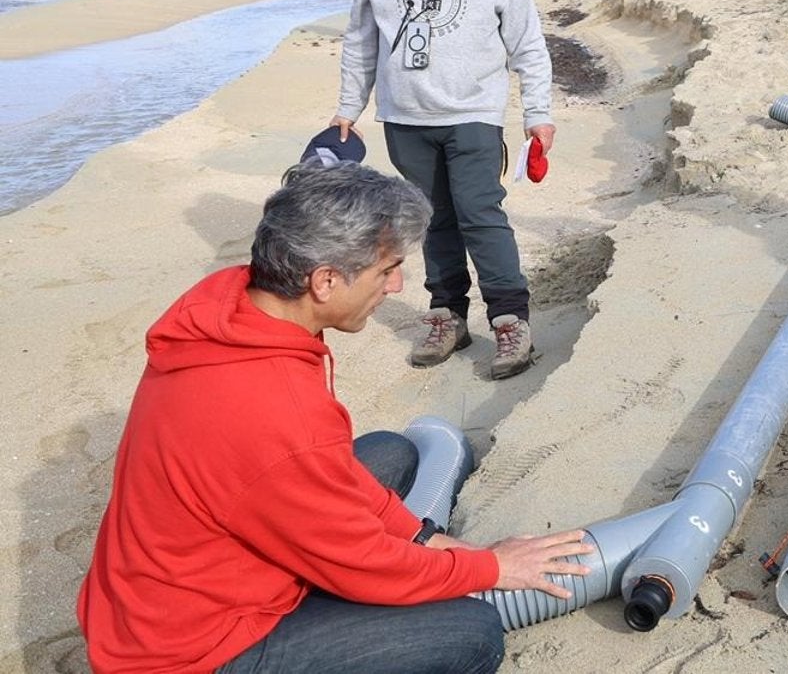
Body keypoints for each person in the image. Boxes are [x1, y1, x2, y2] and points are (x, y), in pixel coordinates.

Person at [77, 162, 591, 674]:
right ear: (325, 281)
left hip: (161, 585)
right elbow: (364, 563)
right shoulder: (275, 416)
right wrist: (492, 565)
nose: (396, 285)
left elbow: (317, 469)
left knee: (391, 452)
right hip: (189, 649)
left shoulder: (234, 303)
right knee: (469, 634)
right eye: (386, 269)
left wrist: (423, 539)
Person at [331, 0, 554, 380]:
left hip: (473, 111)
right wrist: (349, 106)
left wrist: (538, 113)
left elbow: (528, 42)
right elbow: (362, 37)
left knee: (481, 212)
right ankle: (448, 316)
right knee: (433, 220)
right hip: (404, 115)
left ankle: (509, 319)